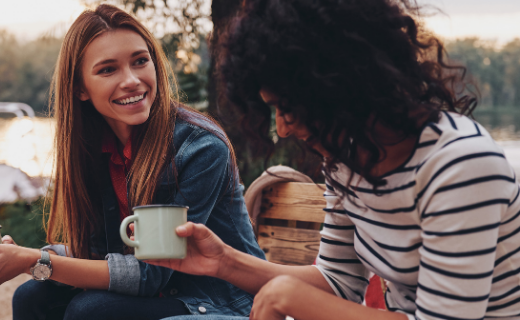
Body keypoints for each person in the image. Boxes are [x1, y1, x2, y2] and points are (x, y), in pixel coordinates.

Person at [149, 0, 520, 319]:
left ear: (343, 84)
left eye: (288, 107)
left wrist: (287, 296)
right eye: (273, 109)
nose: (283, 128)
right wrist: (224, 263)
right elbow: (337, 282)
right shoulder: (348, 161)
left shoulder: (461, 166)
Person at [0, 4, 265, 320]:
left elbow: (151, 274)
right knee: (31, 298)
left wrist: (31, 261)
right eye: (108, 69)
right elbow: (98, 253)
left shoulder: (200, 147)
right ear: (80, 88)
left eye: (140, 61)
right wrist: (17, 256)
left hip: (221, 301)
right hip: (164, 293)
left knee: (93, 311)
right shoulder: (95, 147)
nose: (132, 80)